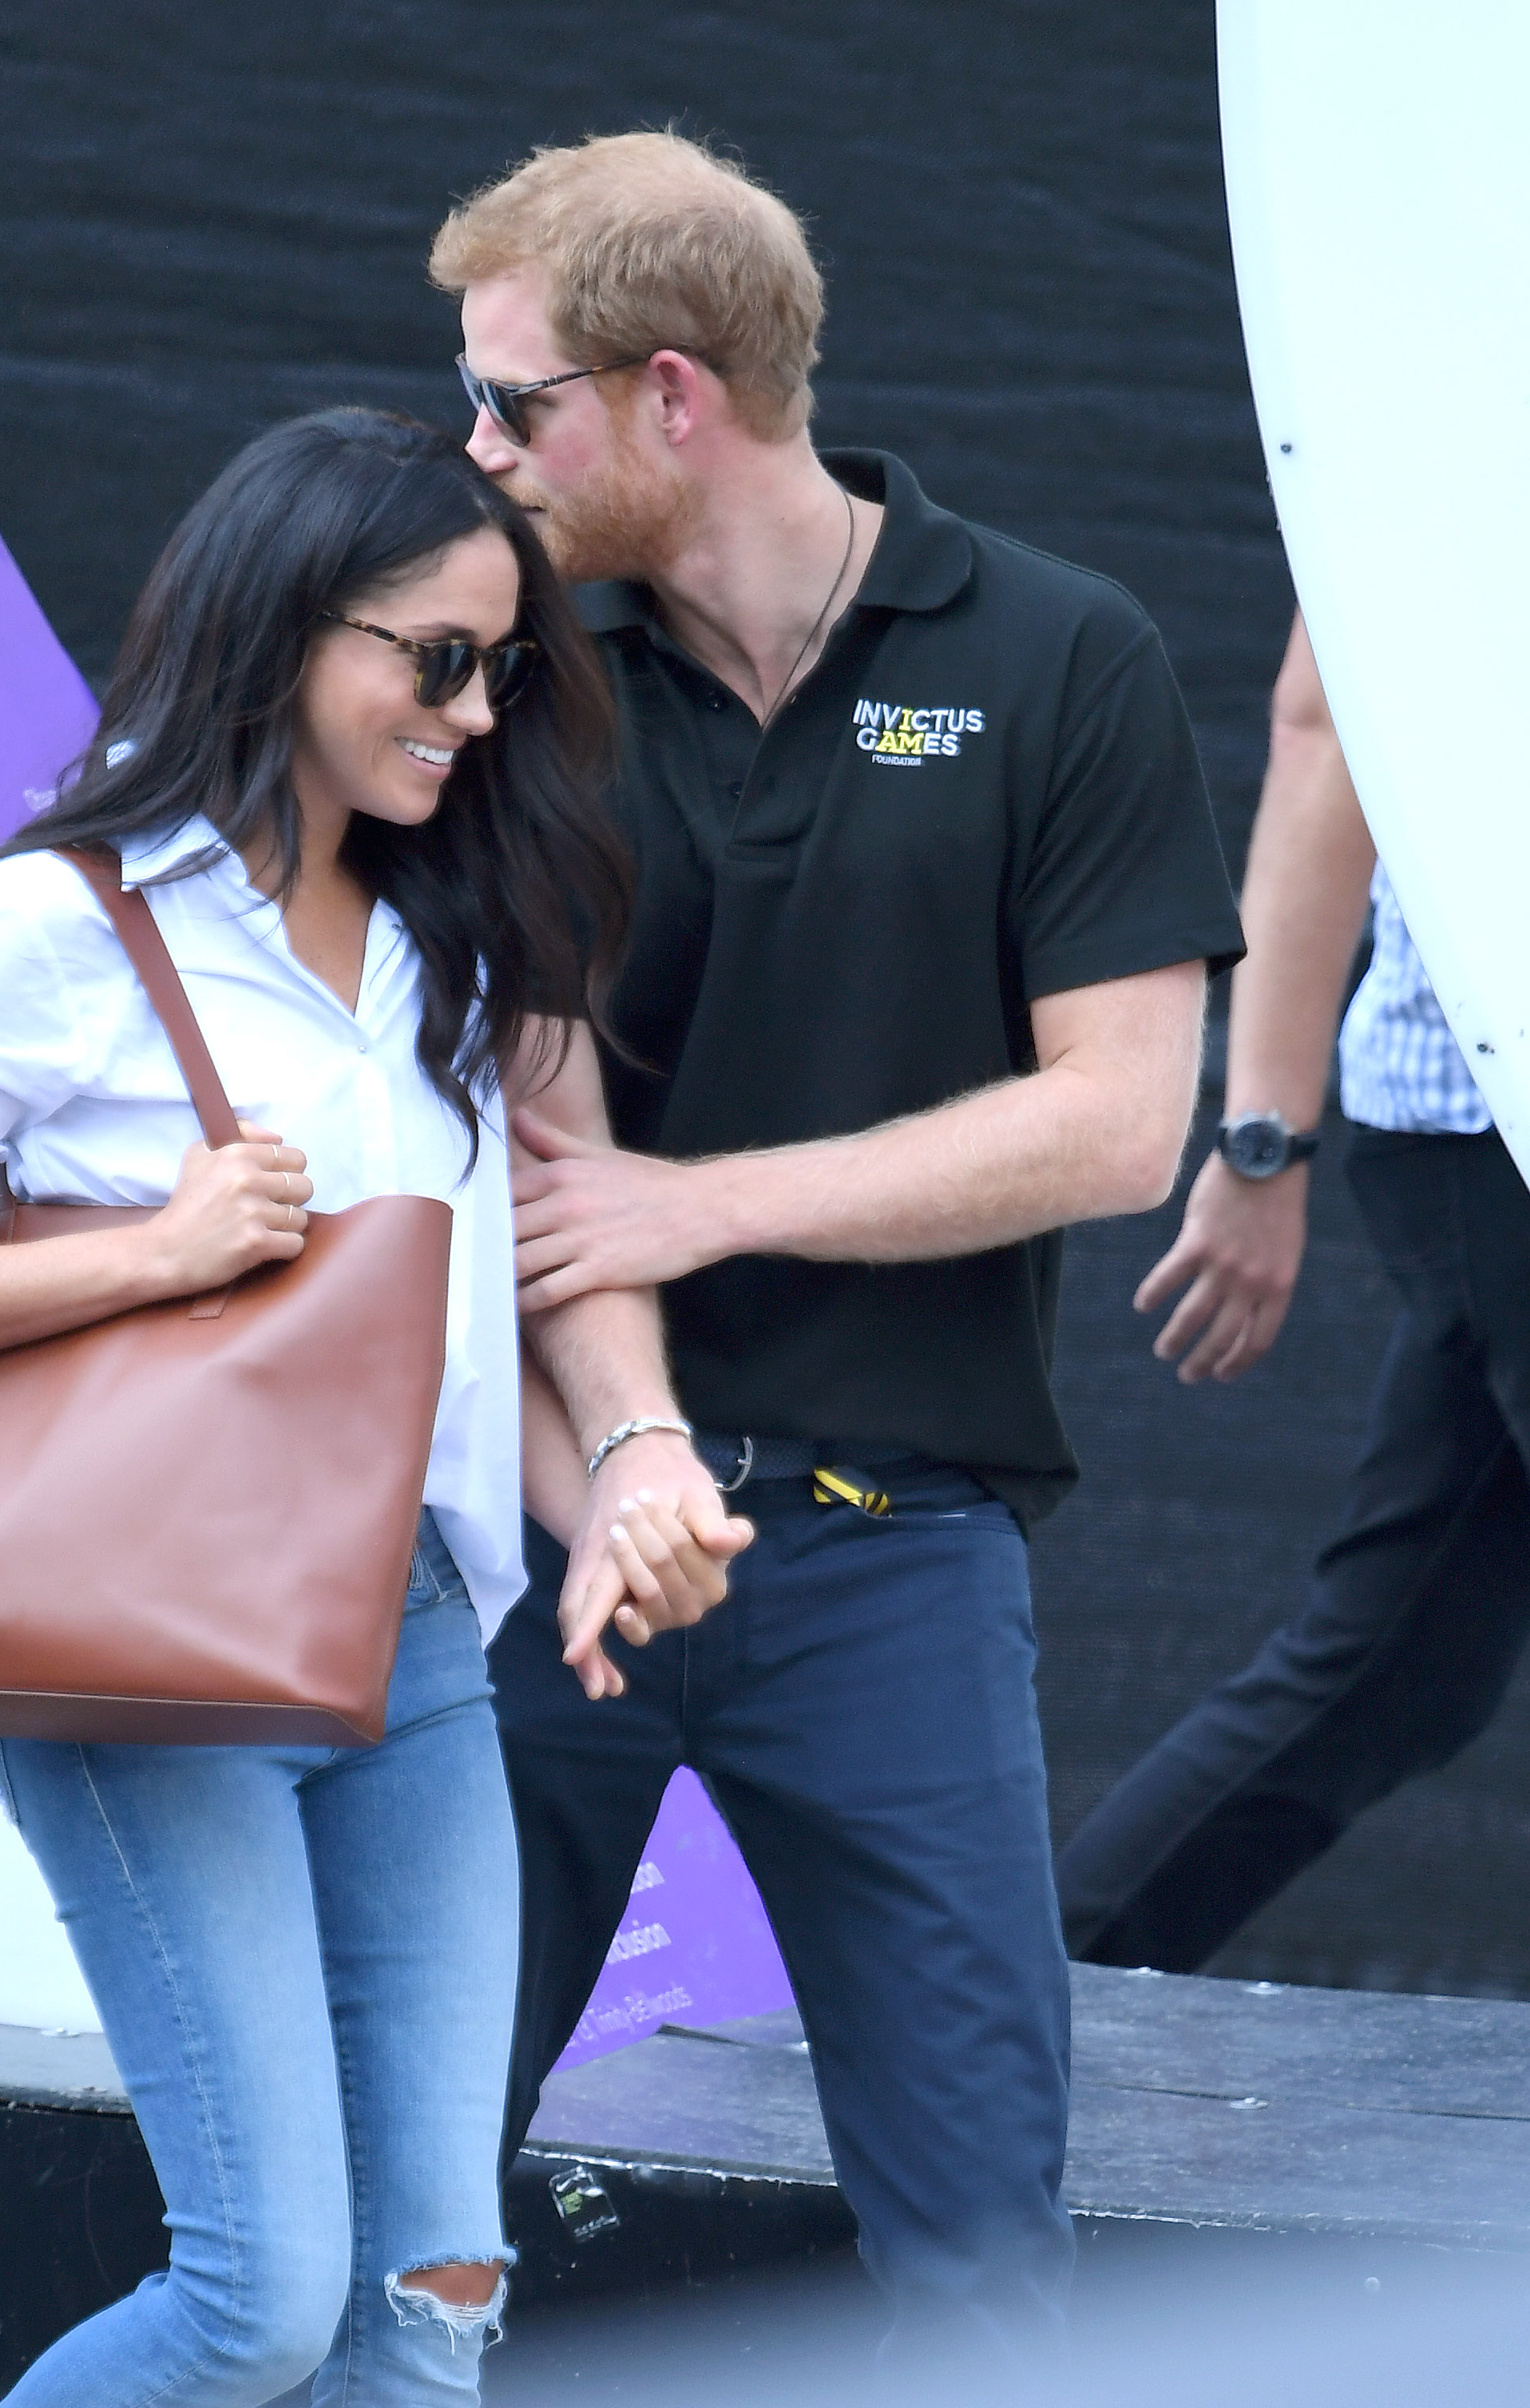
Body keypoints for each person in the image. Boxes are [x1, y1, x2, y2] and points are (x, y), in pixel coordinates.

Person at [0, 407, 735, 2408]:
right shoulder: (57, 925)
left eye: (504, 666)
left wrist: (609, 1503)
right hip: (146, 1662)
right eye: (430, 656)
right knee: (259, 2300)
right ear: (282, 628)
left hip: (415, 1654)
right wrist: (158, 1249)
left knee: (430, 2300)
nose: (473, 710)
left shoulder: (451, 940)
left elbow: (449, 1338)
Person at [426, 133, 1244, 2351]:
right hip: (554, 1532)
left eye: (518, 405)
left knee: (983, 2257)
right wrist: (634, 1459)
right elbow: (547, 1128)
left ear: (672, 395)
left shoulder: (1060, 651)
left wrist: (714, 1203)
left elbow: (1119, 1126)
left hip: (897, 1551)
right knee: (388, 2206)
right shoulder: (523, 679)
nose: (475, 448)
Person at [1056, 612, 1530, 1970]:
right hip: (1494, 1128)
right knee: (1384, 1665)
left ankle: (1025, 2014)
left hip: (1471, 1140)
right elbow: (1328, 720)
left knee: (1396, 1668)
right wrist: (1260, 1137)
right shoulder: (1464, 413)